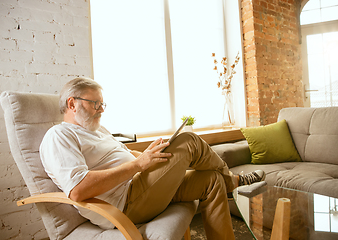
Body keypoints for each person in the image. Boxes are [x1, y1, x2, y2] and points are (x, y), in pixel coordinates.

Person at [40, 77, 265, 240]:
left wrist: (150, 154)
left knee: (211, 181)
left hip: (141, 186)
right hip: (123, 203)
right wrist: (138, 164)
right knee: (189, 141)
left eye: (102, 104)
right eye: (95, 104)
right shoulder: (59, 136)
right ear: (72, 104)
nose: (101, 110)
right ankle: (233, 181)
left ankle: (225, 187)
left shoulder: (99, 130)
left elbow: (128, 157)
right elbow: (78, 189)